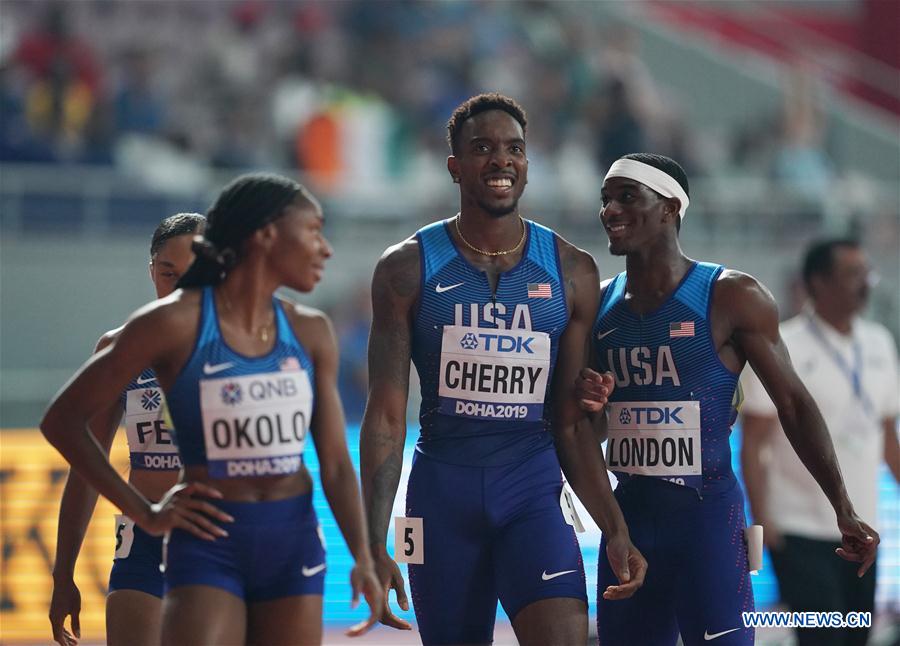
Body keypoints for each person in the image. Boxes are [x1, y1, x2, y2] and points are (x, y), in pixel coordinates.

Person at [41, 173, 382, 645]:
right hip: (182, 537)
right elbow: (66, 429)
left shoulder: (309, 331)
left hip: (290, 537)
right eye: (313, 232)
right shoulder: (154, 332)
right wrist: (141, 516)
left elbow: (336, 464)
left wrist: (364, 552)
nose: (325, 249)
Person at [359, 93, 646, 646]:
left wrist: (613, 525)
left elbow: (573, 422)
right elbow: (387, 417)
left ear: (528, 166)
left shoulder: (571, 269)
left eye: (514, 149)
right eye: (482, 148)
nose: (501, 161)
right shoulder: (405, 268)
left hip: (532, 491)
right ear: (455, 166)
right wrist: (375, 539)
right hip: (442, 493)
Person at [575, 153, 880, 646]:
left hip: (707, 525)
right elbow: (590, 429)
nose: (610, 209)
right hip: (627, 524)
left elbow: (795, 405)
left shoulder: (731, 295)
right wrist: (593, 410)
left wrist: (842, 507)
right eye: (605, 199)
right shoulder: (600, 306)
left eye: (627, 196)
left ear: (671, 207)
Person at [49, 212, 205, 646]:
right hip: (145, 540)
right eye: (166, 273)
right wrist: (63, 573)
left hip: (223, 539)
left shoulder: (247, 343)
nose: (177, 287)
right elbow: (85, 468)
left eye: (192, 275)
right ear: (151, 271)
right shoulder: (119, 349)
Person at [740, 238, 899, 646]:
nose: (865, 284)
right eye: (852, 275)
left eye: (867, 274)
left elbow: (886, 435)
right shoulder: (781, 344)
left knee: (857, 638)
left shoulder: (879, 342)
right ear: (817, 282)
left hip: (865, 532)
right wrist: (761, 522)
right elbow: (753, 441)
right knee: (824, 638)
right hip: (797, 527)